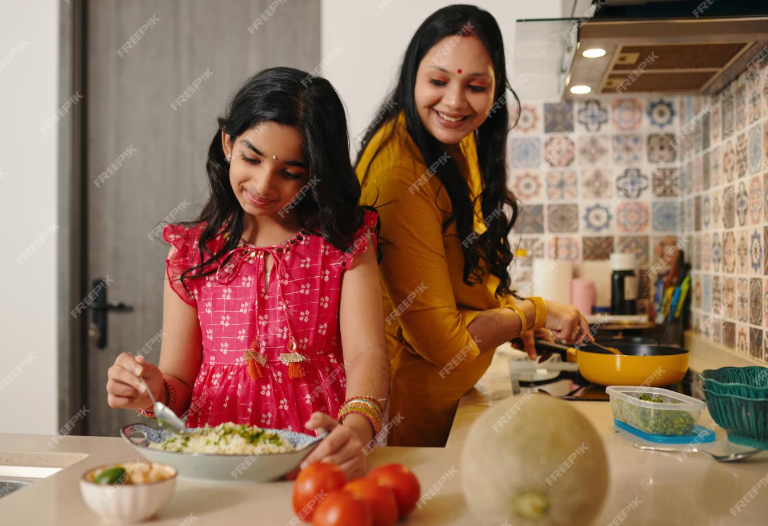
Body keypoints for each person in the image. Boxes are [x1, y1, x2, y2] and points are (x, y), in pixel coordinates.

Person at [106, 67, 389, 478]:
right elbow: (176, 385)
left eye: (290, 172)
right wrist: (148, 389)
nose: (262, 183)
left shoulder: (344, 244)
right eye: (251, 158)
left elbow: (367, 353)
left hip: (319, 456)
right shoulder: (193, 252)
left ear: (315, 173)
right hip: (216, 462)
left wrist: (356, 430)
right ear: (227, 143)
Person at [355, 5, 590, 447]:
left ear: (496, 89)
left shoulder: (451, 139)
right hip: (414, 422)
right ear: (412, 77)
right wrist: (534, 312)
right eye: (438, 81)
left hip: (450, 404)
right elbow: (443, 345)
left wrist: (511, 319)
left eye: (476, 86)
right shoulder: (399, 173)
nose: (456, 101)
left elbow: (462, 271)